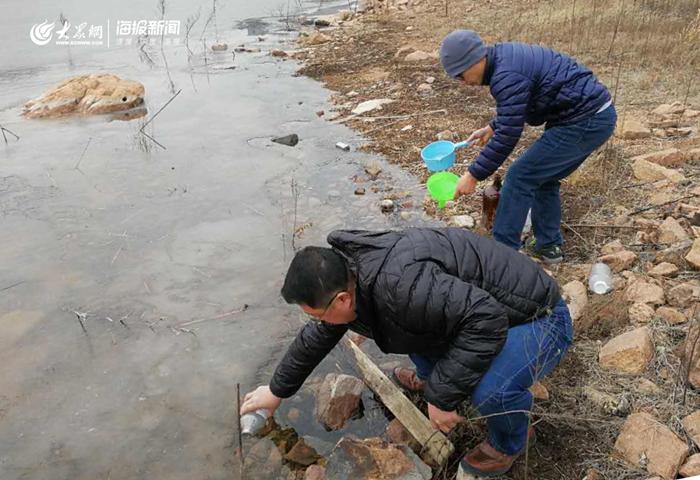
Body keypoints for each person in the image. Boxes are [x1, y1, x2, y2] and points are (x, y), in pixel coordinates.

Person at [240, 228, 573, 477]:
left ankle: (511, 440)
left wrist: (442, 397)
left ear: (341, 299)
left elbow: (487, 321)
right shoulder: (355, 275)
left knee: (490, 391)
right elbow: (318, 335)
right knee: (409, 329)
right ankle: (433, 380)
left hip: (539, 318)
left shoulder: (401, 288)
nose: (320, 323)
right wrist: (276, 390)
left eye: (318, 313)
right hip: (483, 311)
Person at [440, 30, 617, 263]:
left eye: (461, 75)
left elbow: (508, 135)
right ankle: (548, 246)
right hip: (587, 115)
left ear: (475, 59)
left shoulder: (506, 75)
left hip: (586, 120)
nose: (461, 82)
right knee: (541, 177)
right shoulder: (503, 60)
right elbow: (518, 105)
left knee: (519, 176)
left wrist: (473, 175)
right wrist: (492, 126)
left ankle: (504, 257)